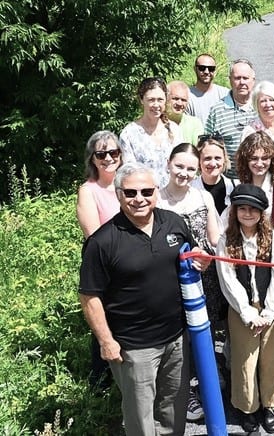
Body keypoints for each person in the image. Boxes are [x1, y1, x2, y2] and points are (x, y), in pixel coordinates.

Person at [79, 162, 210, 436]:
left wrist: (200, 260)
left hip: (176, 338)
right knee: (140, 419)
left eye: (146, 191)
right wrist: (106, 342)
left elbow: (190, 255)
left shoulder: (173, 222)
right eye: (130, 193)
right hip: (133, 348)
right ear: (118, 195)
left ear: (156, 193)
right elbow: (89, 297)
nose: (139, 198)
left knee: (174, 409)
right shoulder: (102, 242)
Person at [157, 143, 225, 422]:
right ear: (169, 165)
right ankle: (183, 393)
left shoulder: (202, 197)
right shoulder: (157, 200)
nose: (184, 173)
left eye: (190, 169)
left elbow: (213, 237)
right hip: (171, 278)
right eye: (179, 166)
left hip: (203, 275)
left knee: (203, 329)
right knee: (179, 337)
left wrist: (210, 256)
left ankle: (205, 377)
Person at [216, 184, 274, 435]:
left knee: (271, 356)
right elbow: (228, 279)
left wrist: (269, 311)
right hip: (242, 308)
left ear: (261, 212)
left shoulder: (273, 237)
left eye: (253, 209)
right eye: (242, 209)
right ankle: (247, 407)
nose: (247, 214)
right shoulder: (226, 239)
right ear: (234, 211)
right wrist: (247, 312)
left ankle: (270, 405)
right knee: (244, 358)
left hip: (270, 306)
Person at [76, 130, 122, 388]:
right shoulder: (88, 191)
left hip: (132, 262)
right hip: (104, 264)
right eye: (101, 154)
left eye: (113, 152)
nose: (108, 158)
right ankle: (100, 384)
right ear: (92, 159)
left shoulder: (127, 183)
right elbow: (94, 236)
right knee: (103, 319)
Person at [119, 77, 183, 187]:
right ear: (141, 100)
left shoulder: (174, 130)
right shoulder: (129, 134)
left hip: (173, 197)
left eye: (160, 99)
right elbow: (129, 173)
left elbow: (182, 163)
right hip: (143, 197)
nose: (156, 105)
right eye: (151, 100)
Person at [205, 59, 257, 178]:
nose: (242, 82)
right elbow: (206, 145)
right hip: (227, 180)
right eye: (237, 78)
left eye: (245, 78)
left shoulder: (262, 106)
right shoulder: (217, 110)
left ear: (253, 81)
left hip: (258, 179)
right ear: (230, 80)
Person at [191, 135, 237, 217]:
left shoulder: (235, 187)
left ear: (224, 159)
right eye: (207, 158)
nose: (213, 163)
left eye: (217, 158)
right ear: (199, 161)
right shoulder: (190, 189)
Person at [241, 81, 274, 151]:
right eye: (263, 101)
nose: (268, 104)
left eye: (271, 100)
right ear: (256, 104)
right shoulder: (250, 131)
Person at [186, 53, 230, 125]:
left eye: (211, 69)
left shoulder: (225, 94)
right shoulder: (187, 96)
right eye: (202, 68)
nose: (206, 72)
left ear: (215, 71)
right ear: (195, 69)